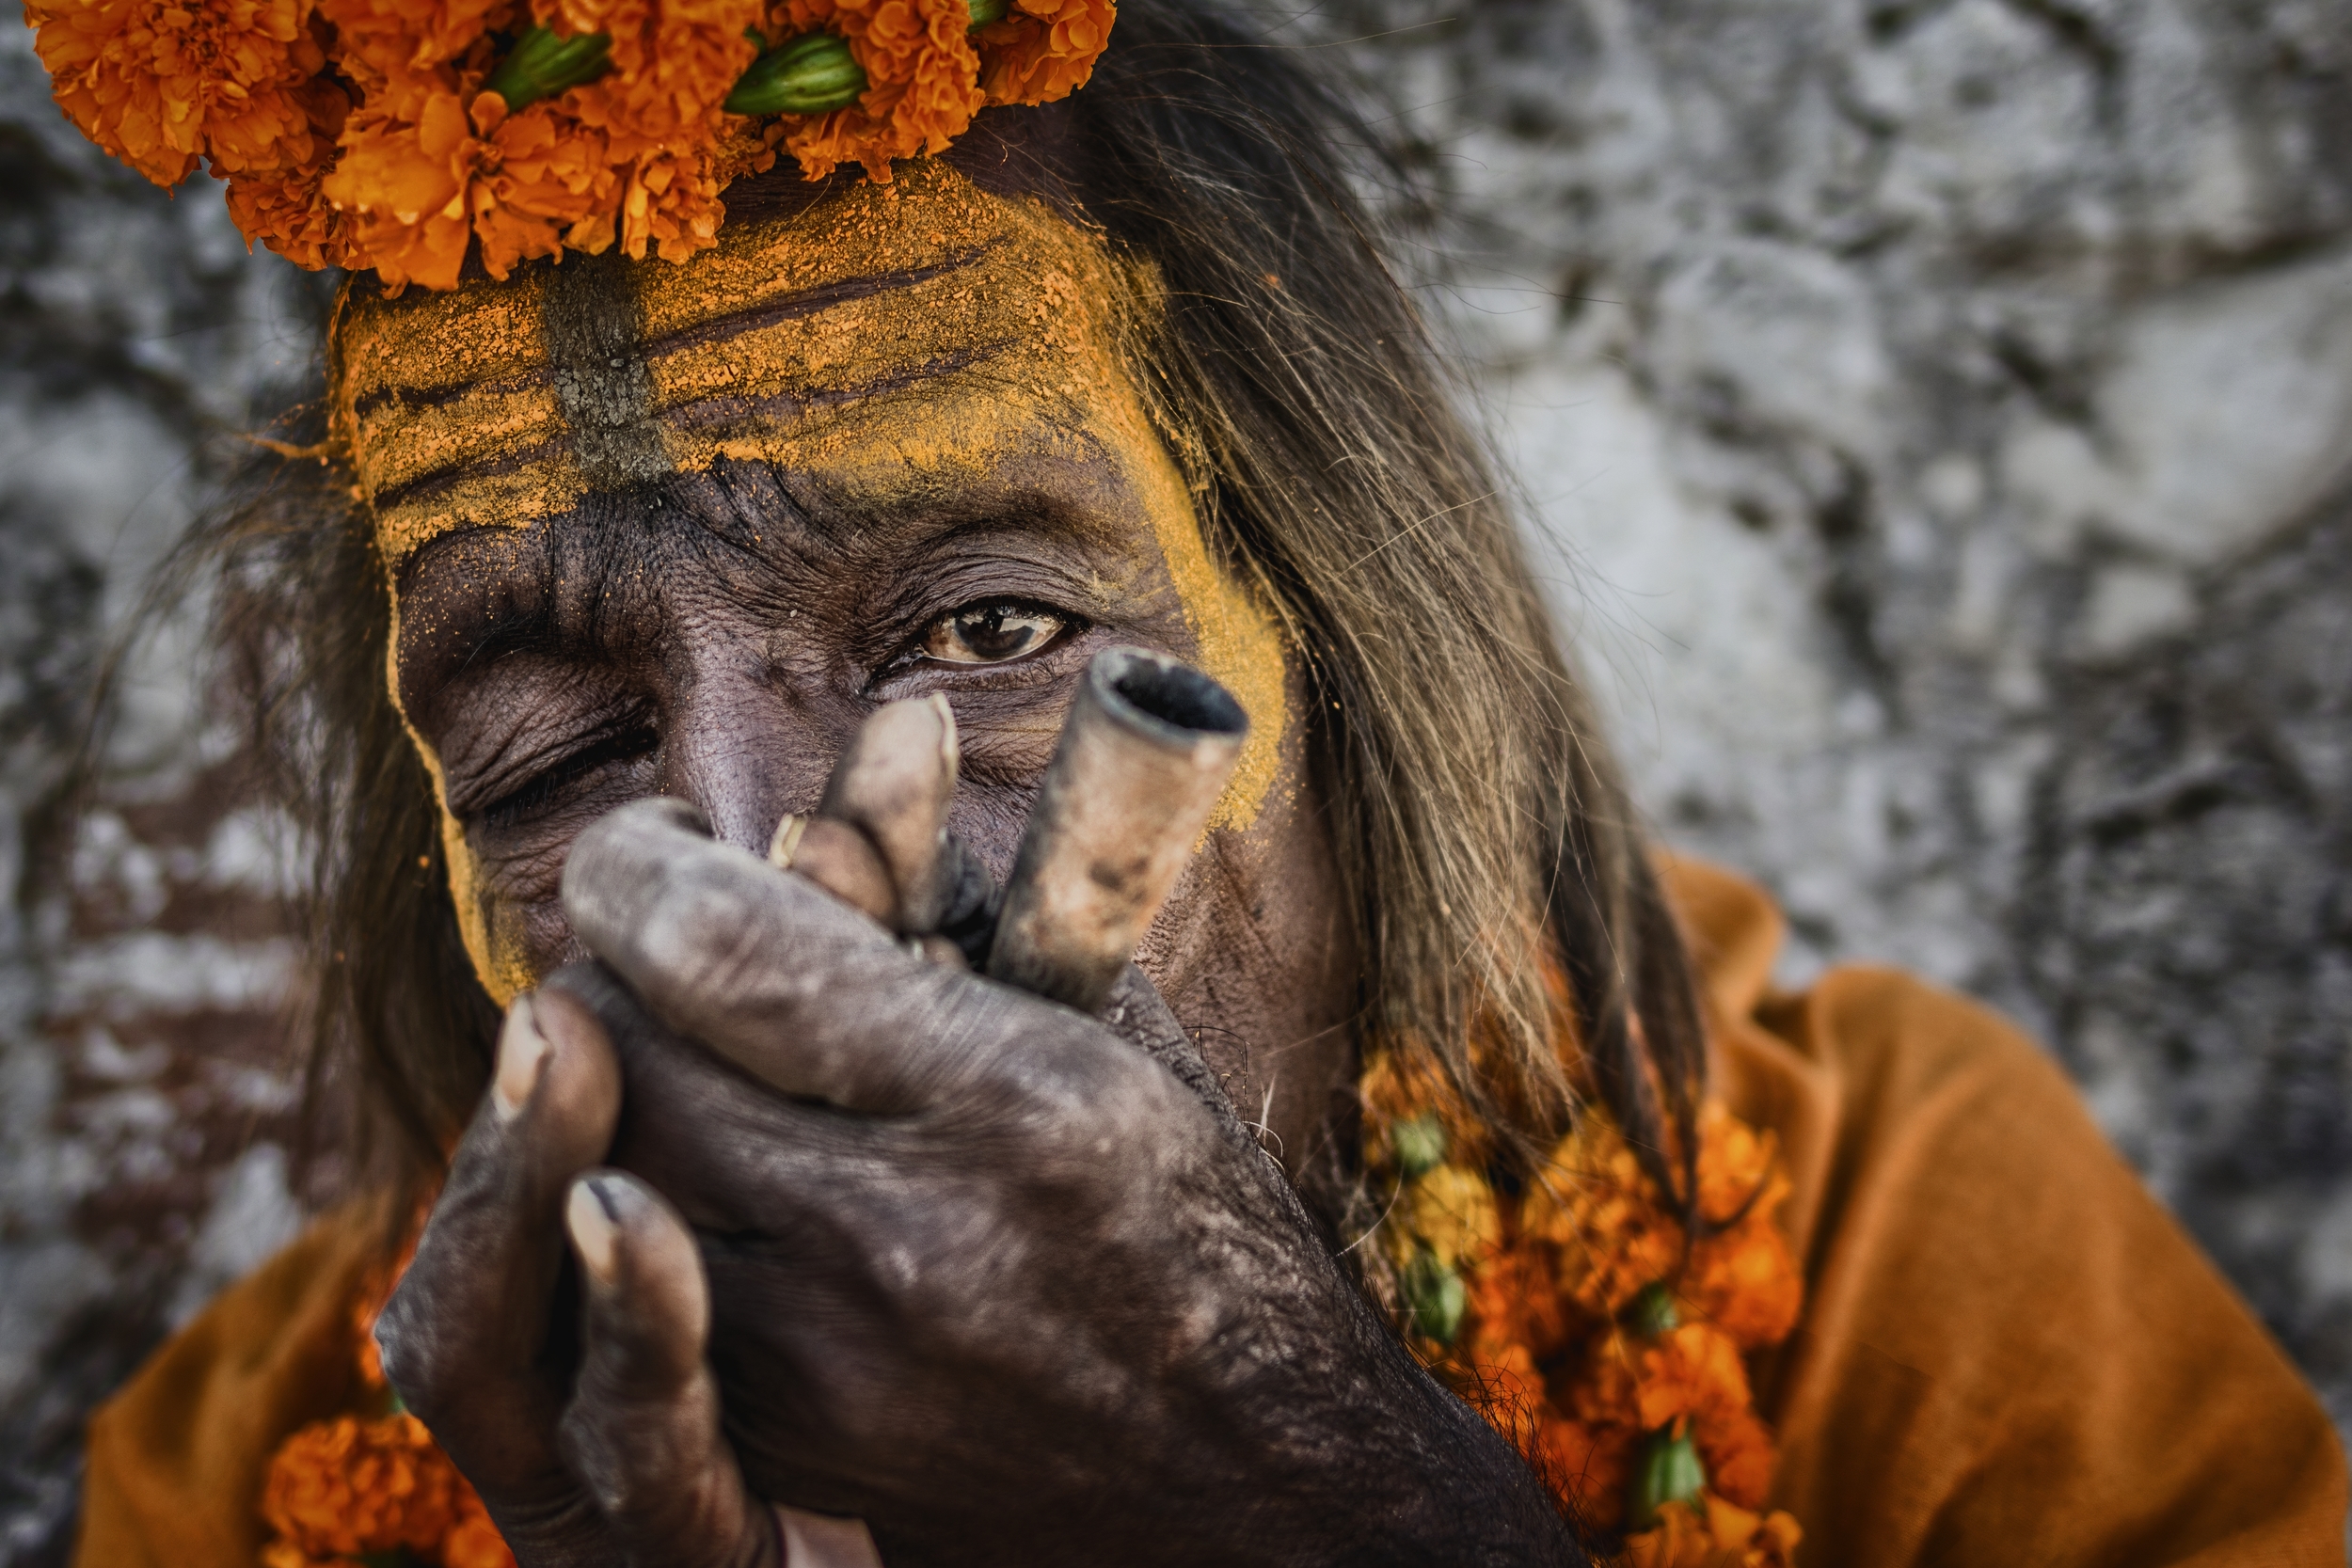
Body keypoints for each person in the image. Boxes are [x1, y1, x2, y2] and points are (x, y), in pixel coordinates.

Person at [30, 0, 2345, 1561]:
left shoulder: (1888, 1255)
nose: (757, 885)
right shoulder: (253, 1471)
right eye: (553, 755)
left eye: (996, 633)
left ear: (1337, 644)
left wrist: (1293, 1491)